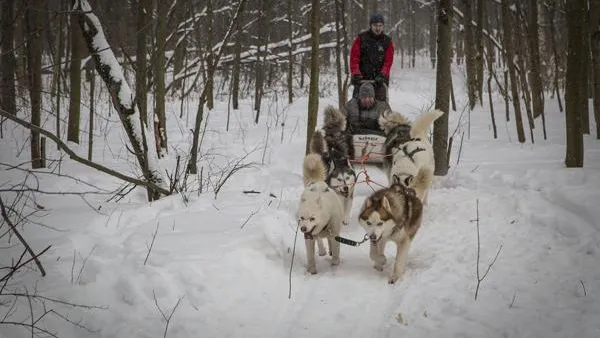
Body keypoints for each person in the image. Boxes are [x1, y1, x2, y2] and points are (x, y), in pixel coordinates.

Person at [349, 13, 394, 101]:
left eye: (380, 25)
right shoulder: (361, 38)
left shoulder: (387, 41)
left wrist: (383, 74)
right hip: (361, 79)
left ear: (383, 26)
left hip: (379, 81)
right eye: (375, 25)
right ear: (371, 25)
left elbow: (388, 62)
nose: (378, 28)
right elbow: (354, 58)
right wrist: (356, 73)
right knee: (357, 105)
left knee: (380, 107)